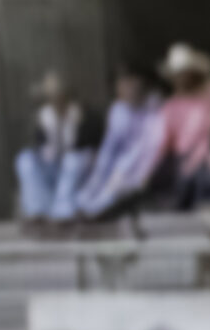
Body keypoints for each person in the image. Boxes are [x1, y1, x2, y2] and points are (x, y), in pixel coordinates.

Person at [71, 66, 168, 221]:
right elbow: (109, 148)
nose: (125, 90)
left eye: (131, 85)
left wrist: (139, 176)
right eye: (122, 85)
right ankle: (81, 209)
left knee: (113, 194)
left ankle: (92, 214)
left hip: (138, 177)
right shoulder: (119, 110)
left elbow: (151, 151)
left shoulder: (155, 114)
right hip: (116, 171)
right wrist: (100, 177)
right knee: (87, 181)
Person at [14, 70, 98, 223]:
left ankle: (63, 212)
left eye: (59, 94)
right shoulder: (42, 117)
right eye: (51, 95)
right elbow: (41, 148)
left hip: (77, 172)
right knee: (24, 158)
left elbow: (88, 148)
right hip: (52, 166)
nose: (56, 100)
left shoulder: (83, 115)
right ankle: (38, 209)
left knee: (73, 160)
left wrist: (72, 126)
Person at [156, 43, 210, 209]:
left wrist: (193, 161)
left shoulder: (208, 99)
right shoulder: (170, 105)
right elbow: (165, 140)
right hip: (179, 156)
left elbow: (209, 133)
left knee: (204, 174)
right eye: (177, 75)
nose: (181, 79)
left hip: (205, 153)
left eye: (185, 74)